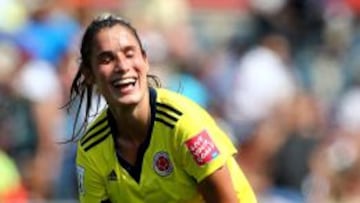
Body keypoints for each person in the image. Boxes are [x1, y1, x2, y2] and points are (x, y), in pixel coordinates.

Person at [66, 13, 257, 203]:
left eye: (129, 54)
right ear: (89, 74)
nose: (123, 66)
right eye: (107, 59)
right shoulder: (91, 149)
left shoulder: (183, 124)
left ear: (145, 61)